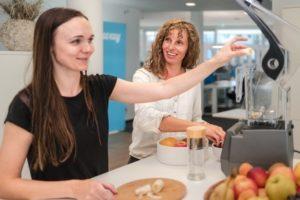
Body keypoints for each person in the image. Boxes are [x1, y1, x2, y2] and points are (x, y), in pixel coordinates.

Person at [0, 7, 248, 200]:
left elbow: (165, 88)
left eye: (90, 39)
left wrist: (217, 60)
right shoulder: (26, 104)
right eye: (76, 41)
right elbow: (5, 185)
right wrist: (76, 189)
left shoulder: (99, 86)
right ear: (49, 47)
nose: (88, 48)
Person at [128, 19, 226, 163]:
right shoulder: (143, 76)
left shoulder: (192, 79)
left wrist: (208, 129)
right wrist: (198, 127)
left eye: (179, 42)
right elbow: (145, 118)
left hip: (181, 157)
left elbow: (195, 118)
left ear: (189, 49)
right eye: (168, 40)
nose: (171, 47)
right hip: (144, 159)